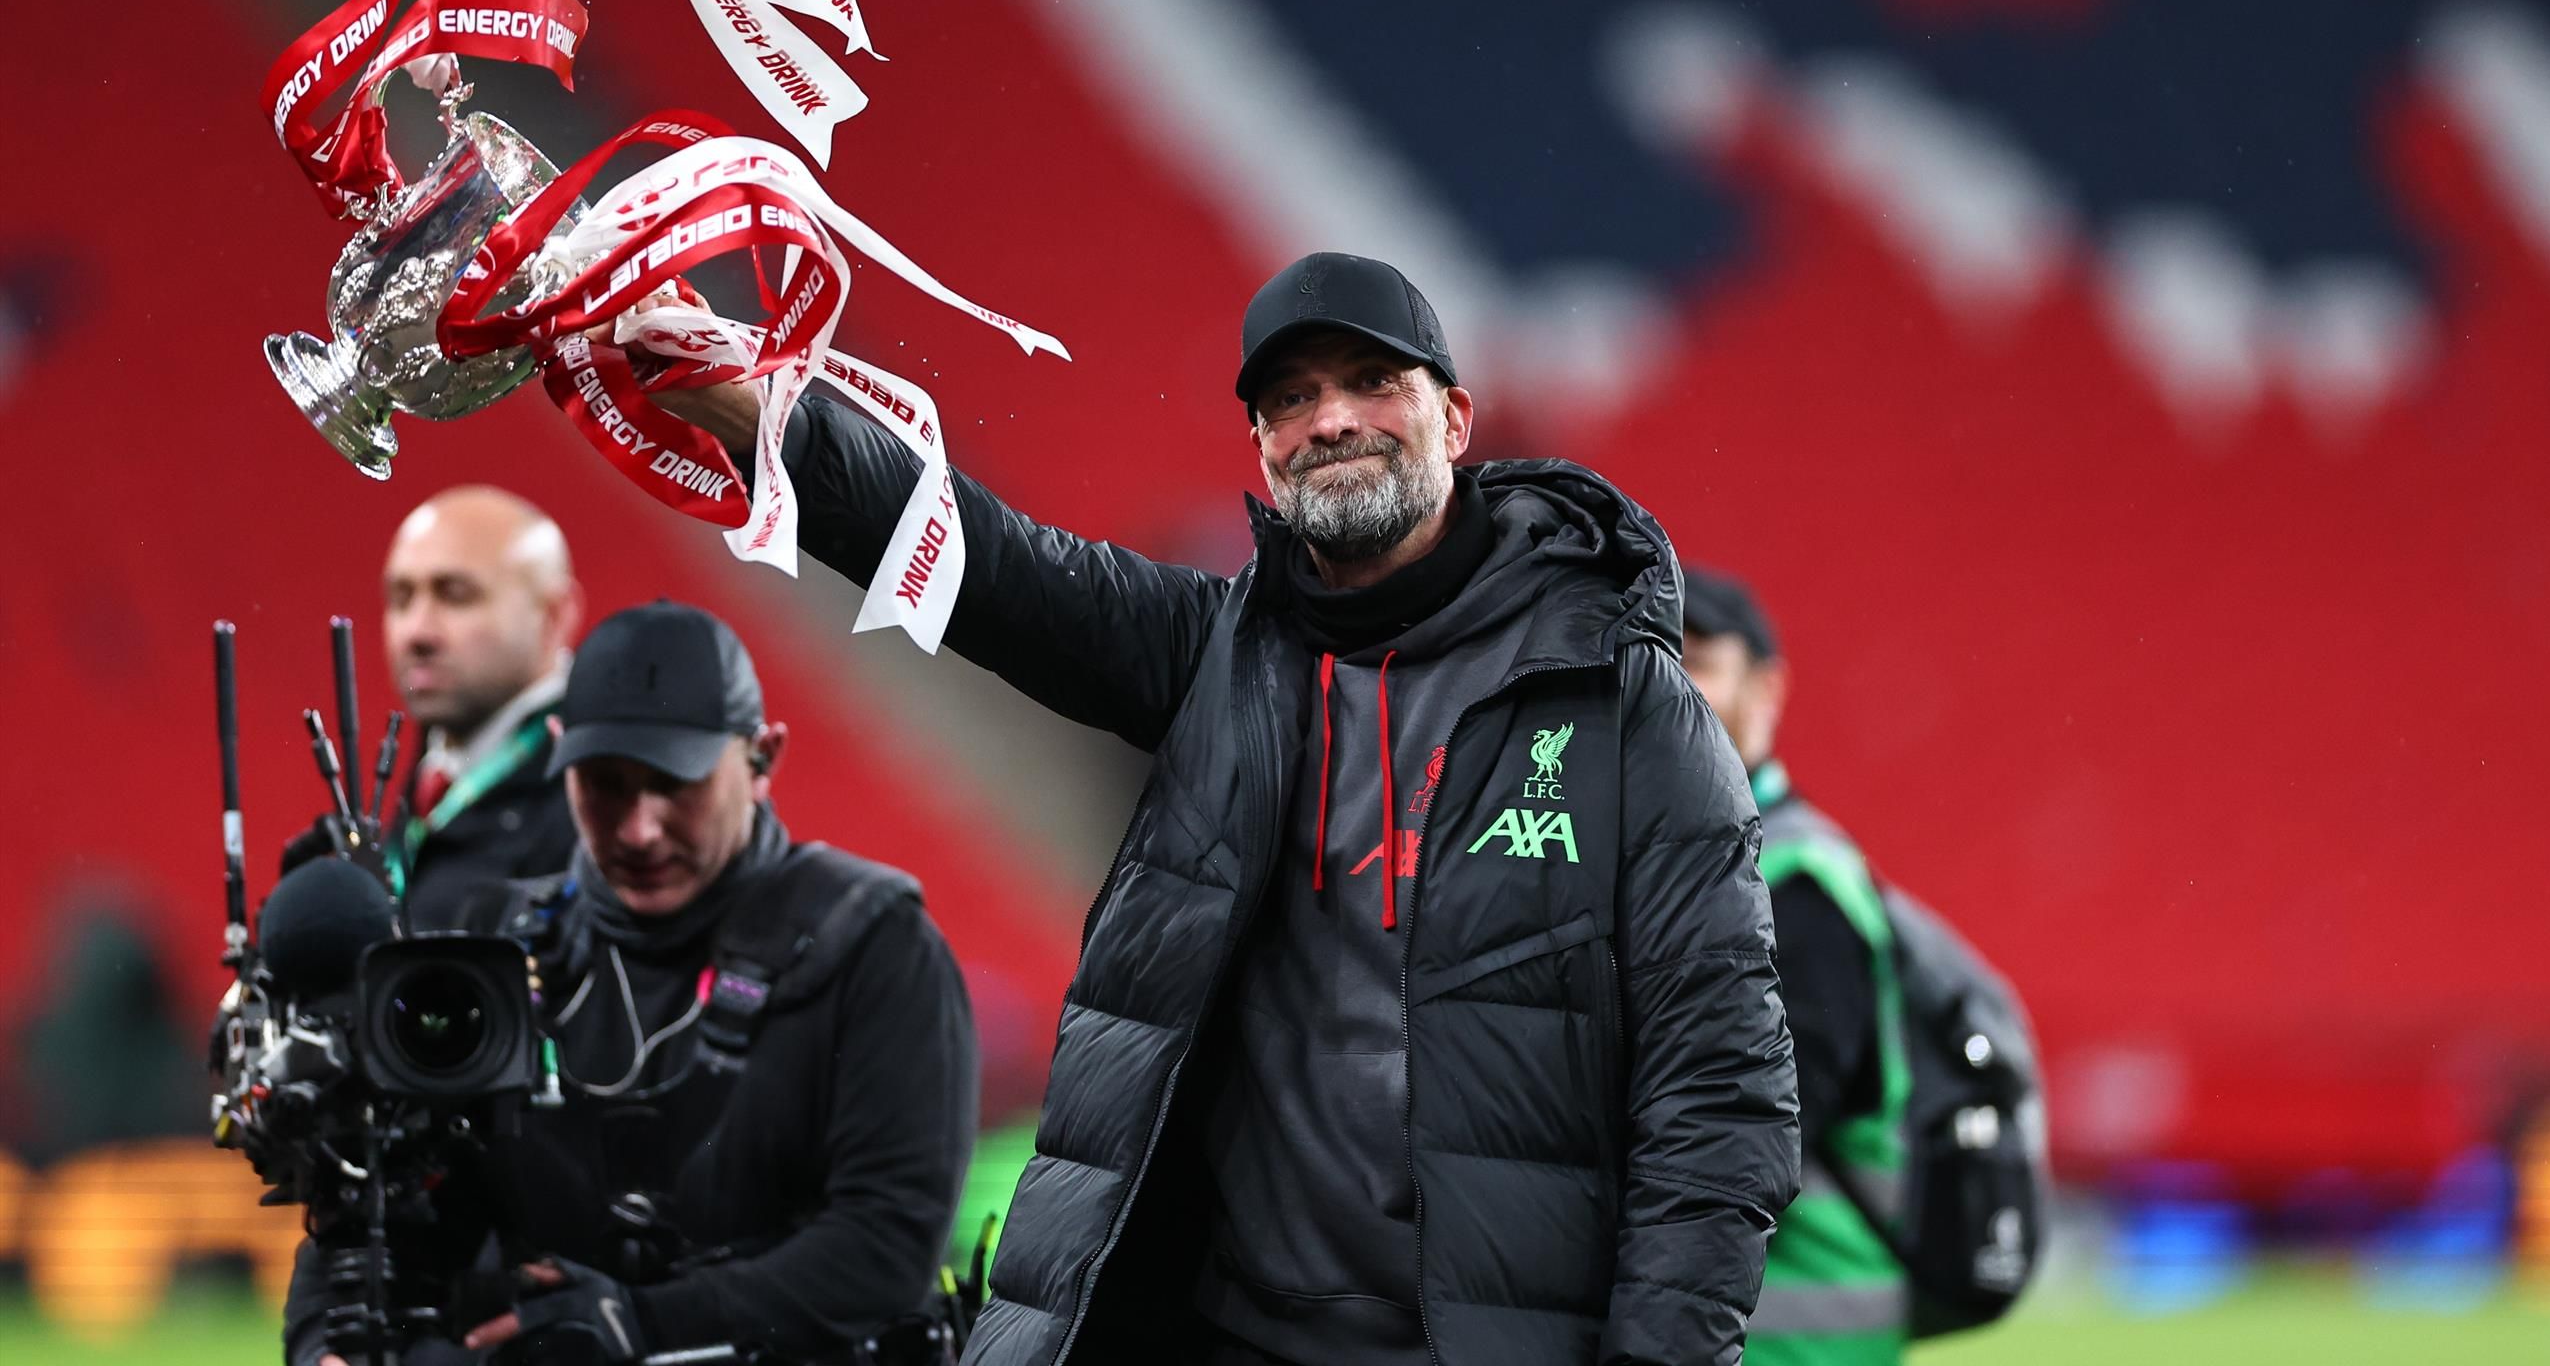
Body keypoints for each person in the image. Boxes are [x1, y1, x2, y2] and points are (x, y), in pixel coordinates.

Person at [638, 252, 1799, 1366]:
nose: (1329, 419)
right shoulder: (1215, 656)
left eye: (1371, 381)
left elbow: (1721, 1092)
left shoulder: (1624, 708)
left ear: (1453, 420)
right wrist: (759, 414)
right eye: (1289, 398)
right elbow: (985, 561)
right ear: (1261, 448)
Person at [282, 600, 980, 1366]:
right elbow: (382, 1206)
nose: (640, 829)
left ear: (762, 758)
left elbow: (886, 1246)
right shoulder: (491, 951)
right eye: (605, 784)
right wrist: (326, 1347)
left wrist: (642, 1325)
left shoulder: (877, 946)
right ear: (560, 755)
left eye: (674, 784)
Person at [1680, 568, 1907, 1365]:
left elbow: (1770, 1133)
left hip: (1798, 1337)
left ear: (1767, 688)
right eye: (1655, 658)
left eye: (1697, 660)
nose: (1672, 685)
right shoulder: (1688, 862)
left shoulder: (1799, 881)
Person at [279, 486, 582, 925]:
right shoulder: (433, 769)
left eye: (456, 595)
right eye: (401, 598)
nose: (417, 632)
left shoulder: (597, 790)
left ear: (553, 615)